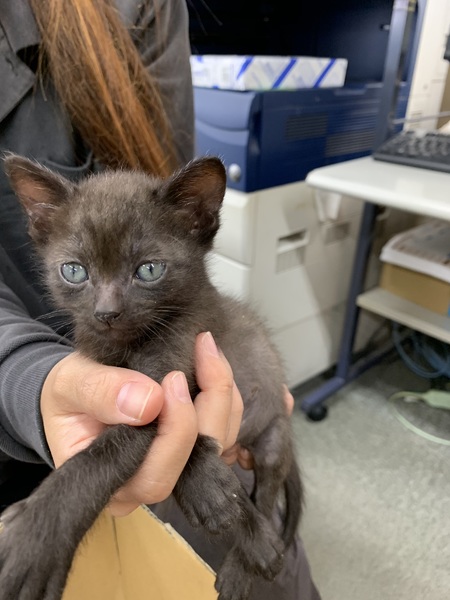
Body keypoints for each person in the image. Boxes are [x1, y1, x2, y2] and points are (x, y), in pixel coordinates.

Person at [0, 1, 321, 598]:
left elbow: (149, 413)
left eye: (145, 270)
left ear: (201, 222)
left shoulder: (145, 8)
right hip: (22, 428)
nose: (107, 308)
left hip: (225, 427)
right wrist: (26, 376)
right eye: (76, 272)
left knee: (275, 561)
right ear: (40, 227)